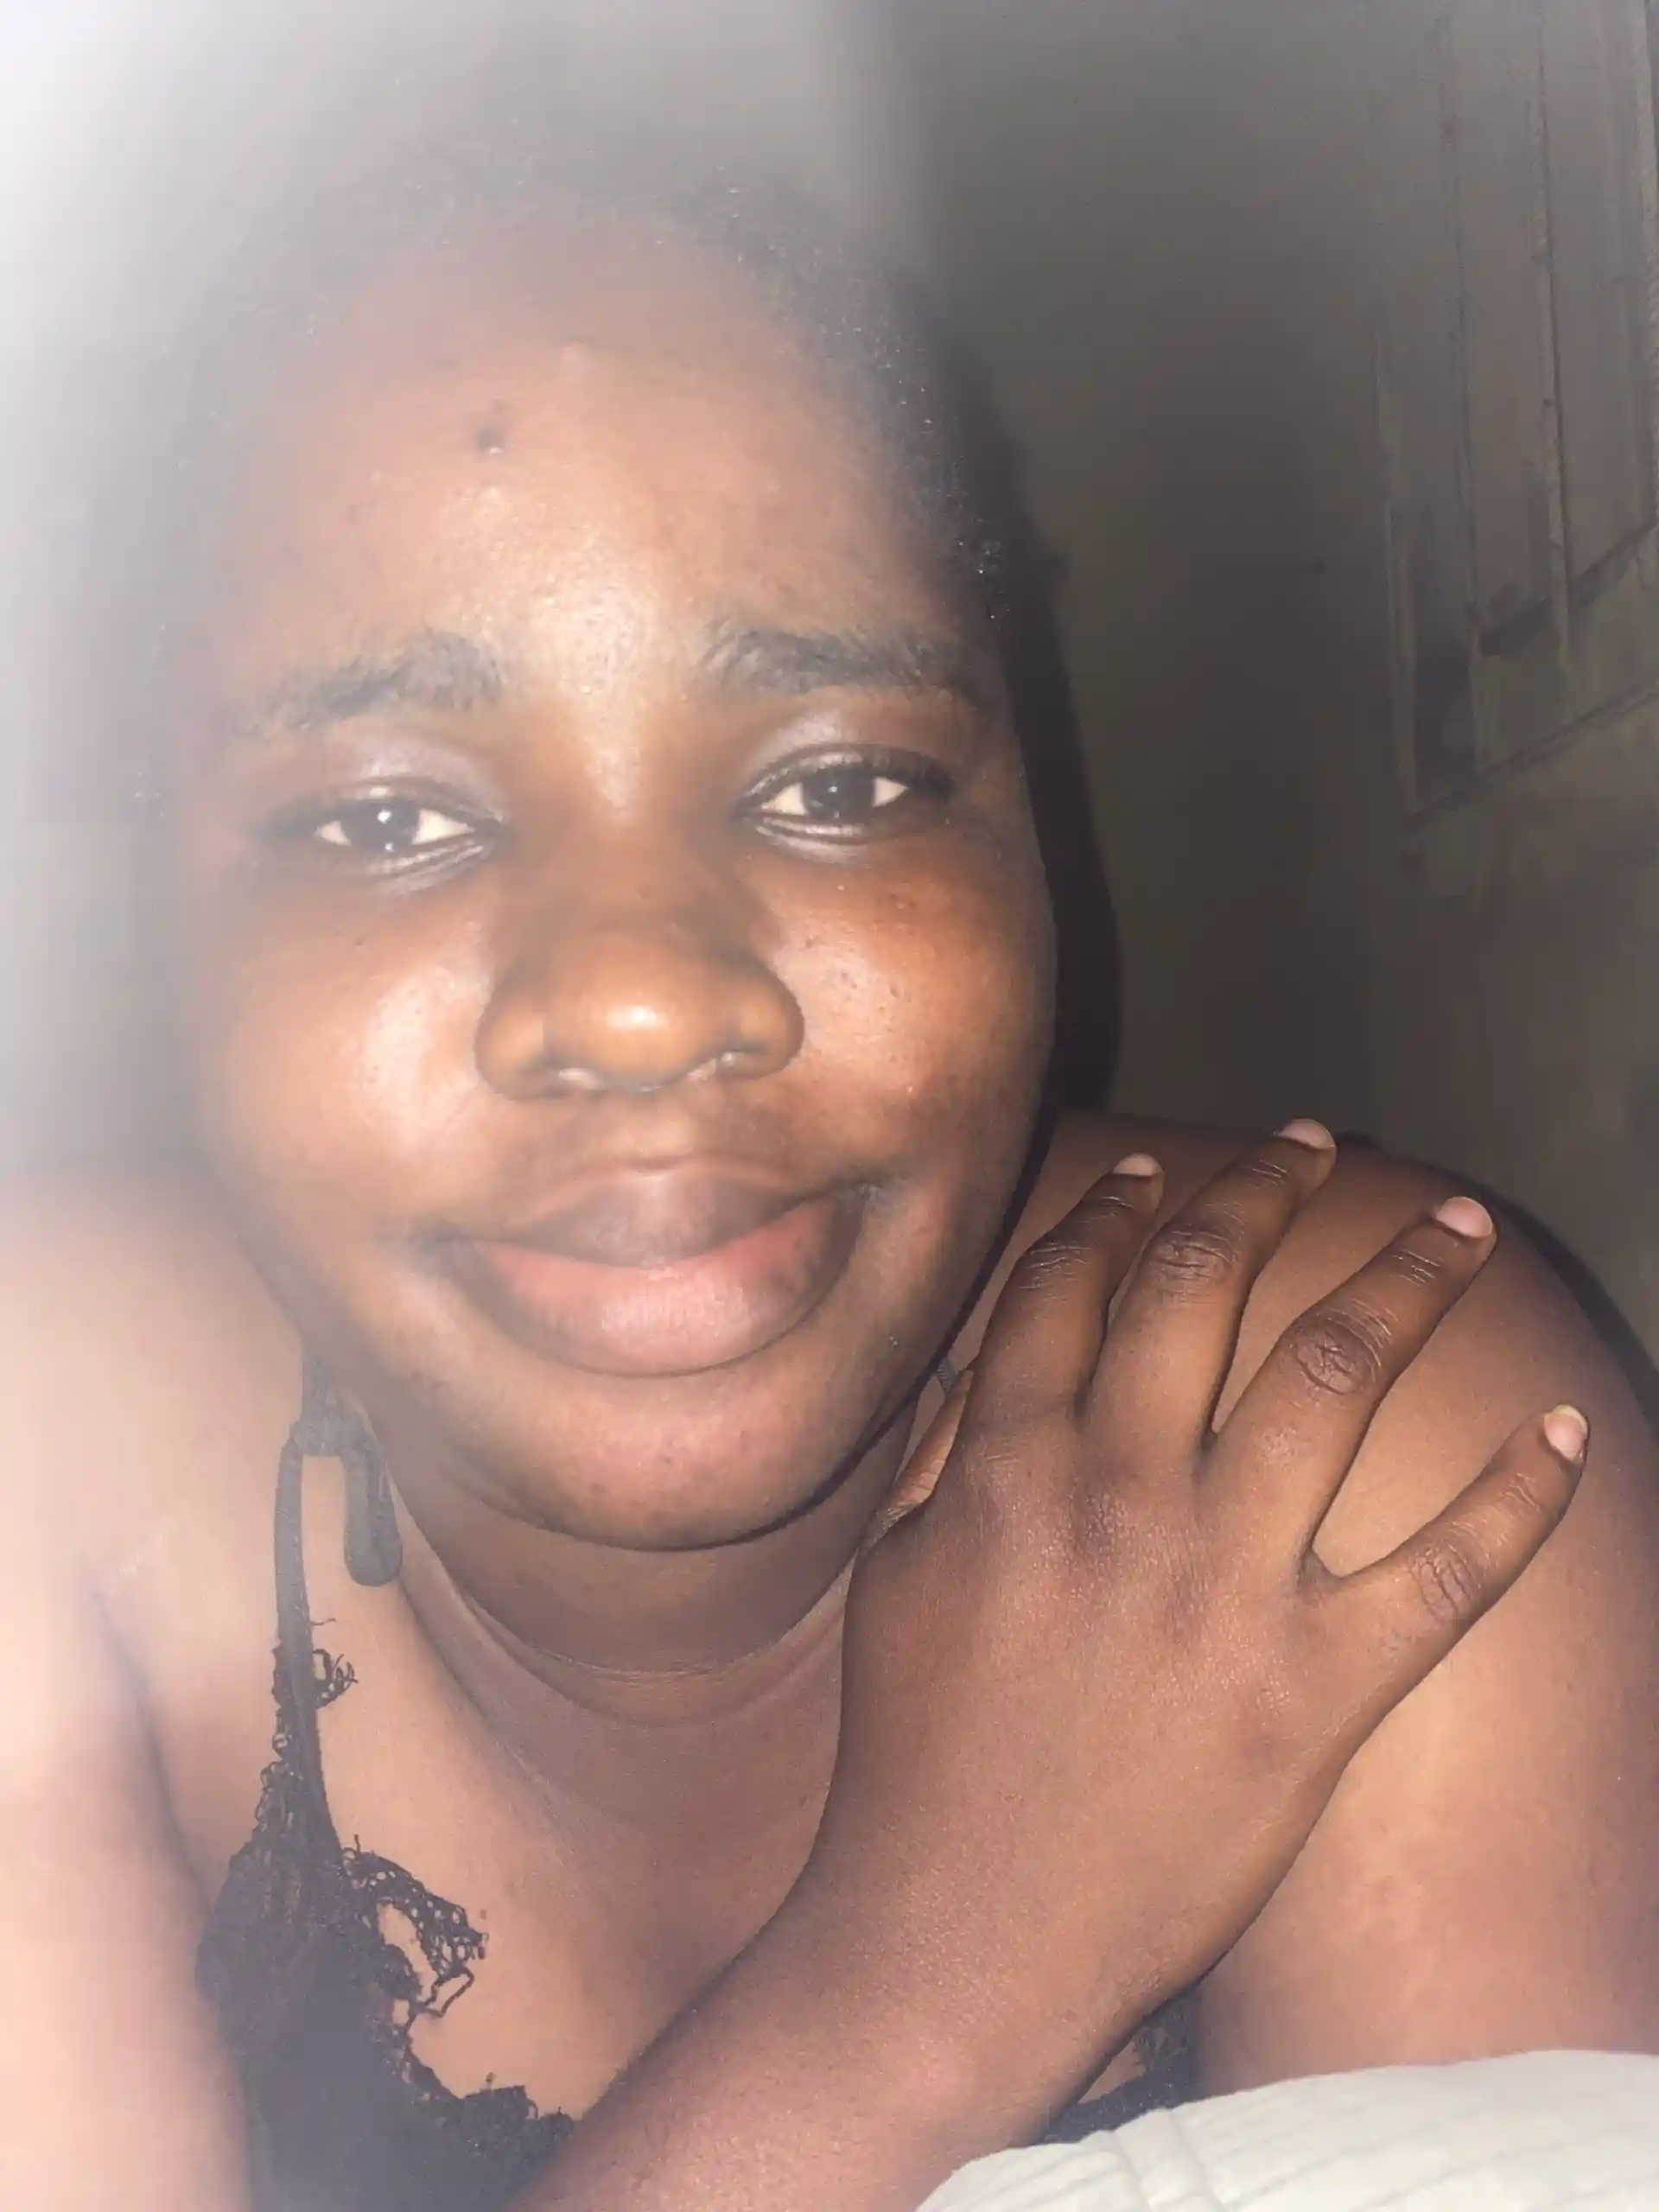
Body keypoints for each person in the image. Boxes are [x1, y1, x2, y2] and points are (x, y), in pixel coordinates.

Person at [2, 140, 1656, 2212]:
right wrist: (927, 1973)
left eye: (843, 779)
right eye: (384, 822)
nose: (639, 1001)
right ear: (156, 905)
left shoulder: (1351, 1447)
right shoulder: (44, 1455)